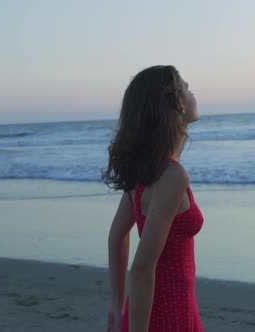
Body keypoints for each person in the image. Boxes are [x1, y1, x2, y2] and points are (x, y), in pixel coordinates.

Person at [103, 65, 204, 331]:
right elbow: (142, 268)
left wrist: (116, 306)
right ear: (175, 105)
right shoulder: (173, 176)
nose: (191, 90)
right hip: (167, 314)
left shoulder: (145, 169)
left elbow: (116, 235)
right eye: (185, 87)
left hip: (155, 310)